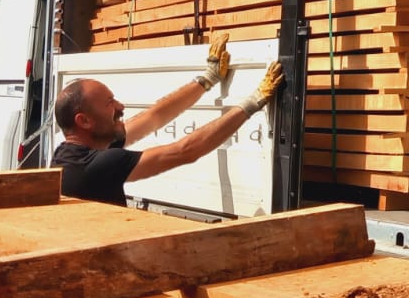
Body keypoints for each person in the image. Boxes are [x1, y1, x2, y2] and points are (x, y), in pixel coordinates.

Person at [50, 34, 284, 206]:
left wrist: (208, 79)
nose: (121, 107)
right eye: (110, 103)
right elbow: (186, 151)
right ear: (84, 121)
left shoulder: (67, 155)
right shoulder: (96, 167)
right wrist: (254, 101)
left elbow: (153, 117)